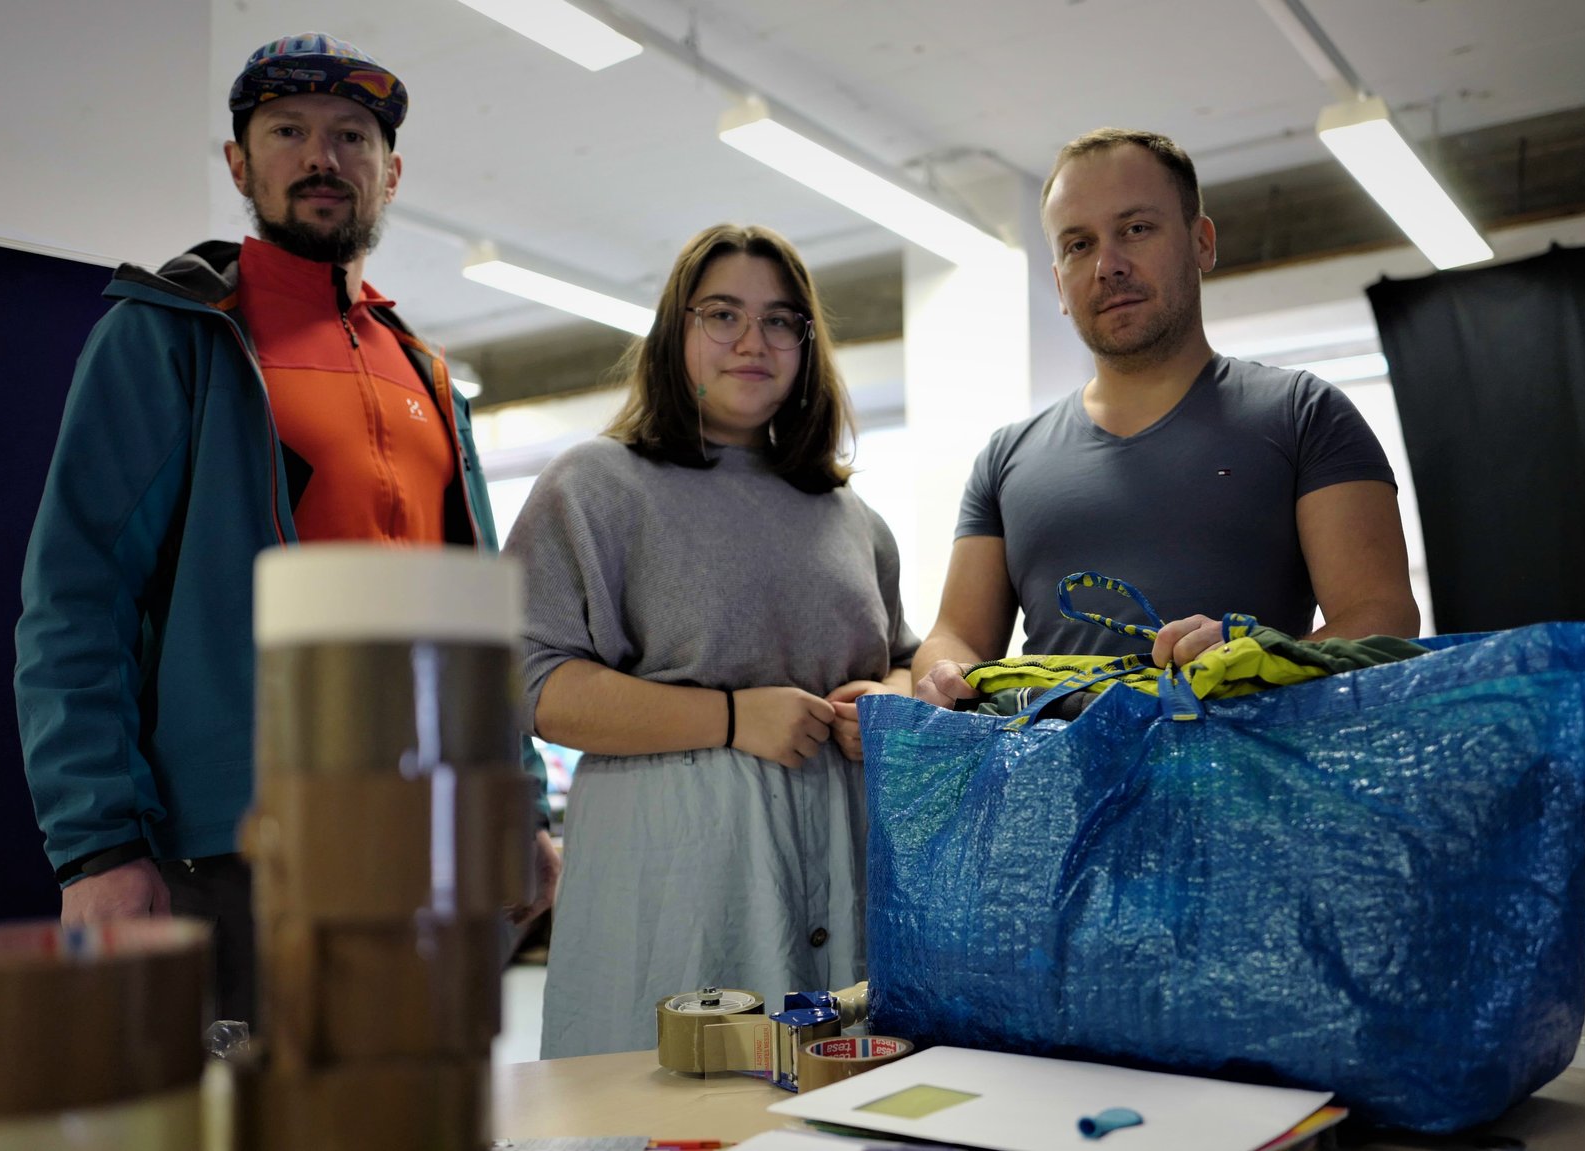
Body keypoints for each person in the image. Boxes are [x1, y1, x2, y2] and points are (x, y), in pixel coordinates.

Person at [13, 32, 552, 1025]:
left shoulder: (427, 374)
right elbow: (75, 597)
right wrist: (97, 844)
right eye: (288, 131)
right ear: (238, 162)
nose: (321, 156)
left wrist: (516, 799)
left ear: (389, 173)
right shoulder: (172, 333)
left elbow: (475, 622)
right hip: (238, 844)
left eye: (351, 136)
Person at [504, 223, 919, 1058]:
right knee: (671, 1096)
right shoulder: (597, 483)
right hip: (677, 861)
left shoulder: (851, 518)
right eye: (722, 314)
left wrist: (890, 701)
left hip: (842, 853)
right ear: (676, 332)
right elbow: (528, 681)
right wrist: (731, 718)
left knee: (831, 1098)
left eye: (779, 321)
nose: (751, 341)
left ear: (806, 344)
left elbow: (904, 657)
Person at [914, 128, 1419, 707]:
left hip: (1245, 781)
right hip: (1058, 790)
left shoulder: (1307, 414)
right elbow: (953, 635)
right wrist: (942, 673)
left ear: (1201, 242)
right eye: (1078, 245)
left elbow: (1382, 615)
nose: (1108, 265)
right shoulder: (1005, 459)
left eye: (1136, 229)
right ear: (1058, 283)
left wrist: (1258, 655)